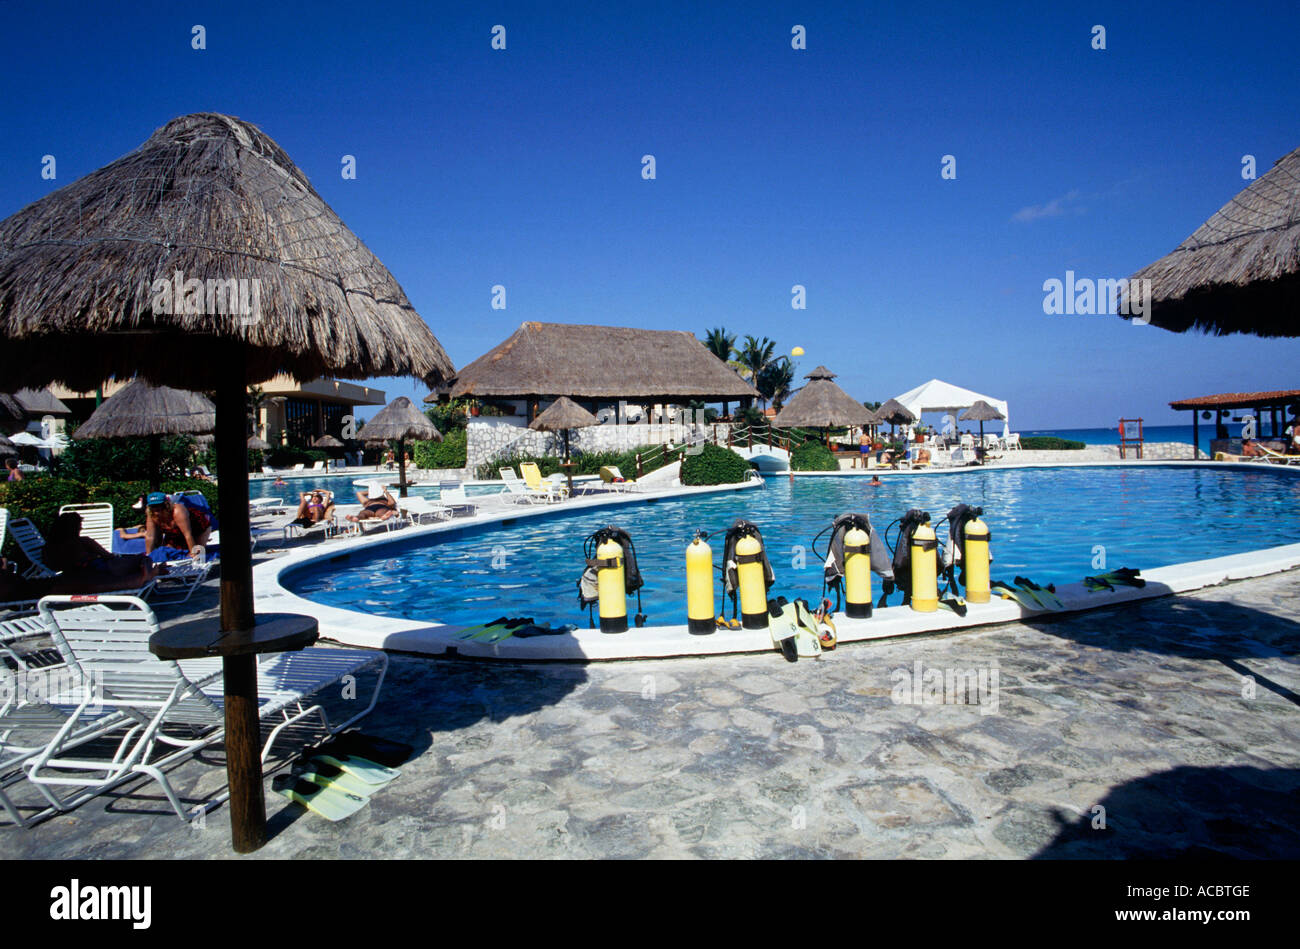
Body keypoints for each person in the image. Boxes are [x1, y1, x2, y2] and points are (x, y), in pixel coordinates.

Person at [44, 511, 163, 591]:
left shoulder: (50, 547)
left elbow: (53, 565)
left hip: (82, 574)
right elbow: (107, 556)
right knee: (142, 560)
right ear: (71, 527)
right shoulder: (82, 542)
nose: (81, 528)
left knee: (138, 563)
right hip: (99, 570)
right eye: (79, 525)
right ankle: (150, 573)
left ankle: (149, 573)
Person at [144, 492, 211, 556]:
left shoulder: (178, 511)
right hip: (175, 533)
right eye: (153, 507)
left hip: (198, 528)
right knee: (167, 552)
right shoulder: (151, 515)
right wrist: (149, 556)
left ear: (166, 504)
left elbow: (188, 534)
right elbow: (150, 536)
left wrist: (193, 554)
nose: (156, 510)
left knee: (198, 552)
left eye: (159, 506)